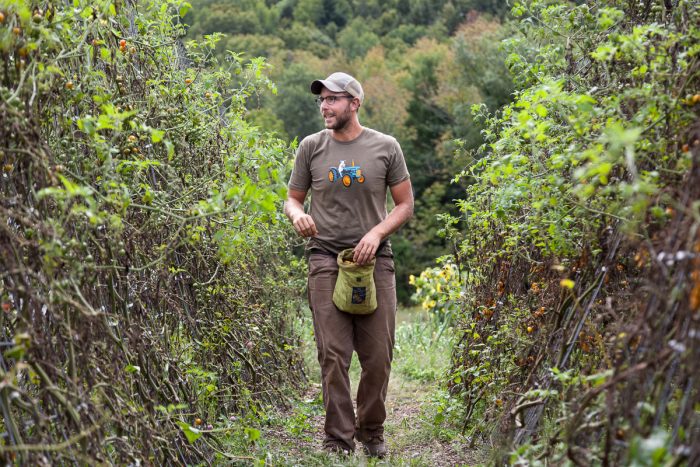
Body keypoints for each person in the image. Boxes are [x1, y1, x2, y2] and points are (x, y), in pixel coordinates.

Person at [284, 72, 414, 458]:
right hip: (325, 259)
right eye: (321, 100)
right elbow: (292, 198)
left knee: (378, 356)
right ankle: (337, 439)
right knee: (333, 354)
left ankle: (371, 432)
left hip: (375, 262)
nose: (324, 106)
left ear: (354, 103)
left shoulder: (385, 147)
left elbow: (405, 204)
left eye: (333, 99)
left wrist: (376, 234)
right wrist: (297, 215)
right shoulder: (311, 147)